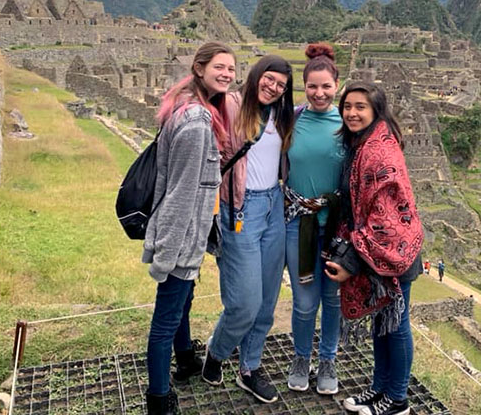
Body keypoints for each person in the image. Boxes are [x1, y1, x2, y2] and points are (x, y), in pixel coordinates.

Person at [142, 42, 237, 415]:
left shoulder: (185, 105)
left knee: (182, 304)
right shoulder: (197, 124)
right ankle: (159, 399)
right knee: (165, 320)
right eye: (219, 67)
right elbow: (182, 194)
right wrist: (168, 253)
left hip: (189, 235)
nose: (227, 73)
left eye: (231, 68)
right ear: (199, 68)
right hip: (183, 237)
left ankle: (185, 360)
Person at [326, 82, 424, 415]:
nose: (352, 113)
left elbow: (385, 220)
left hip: (392, 254)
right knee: (382, 324)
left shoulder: (380, 152)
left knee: (396, 325)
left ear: (375, 111)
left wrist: (350, 261)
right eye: (348, 106)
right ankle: (379, 389)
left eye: (360, 107)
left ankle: (397, 399)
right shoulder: (363, 144)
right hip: (373, 253)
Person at [202, 55, 295, 404]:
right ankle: (218, 351)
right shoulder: (230, 104)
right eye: (269, 79)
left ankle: (250, 367)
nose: (273, 88)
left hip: (274, 206)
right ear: (256, 75)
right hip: (239, 208)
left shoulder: (282, 115)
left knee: (267, 301)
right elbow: (197, 103)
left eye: (281, 85)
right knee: (244, 302)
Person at [284, 43, 344, 395]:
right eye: (312, 86)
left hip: (336, 228)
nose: (319, 93)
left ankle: (328, 359)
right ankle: (301, 357)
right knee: (305, 302)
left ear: (336, 85)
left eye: (325, 86)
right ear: (303, 87)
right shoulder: (291, 119)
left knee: (333, 300)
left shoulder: (348, 123)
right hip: (298, 224)